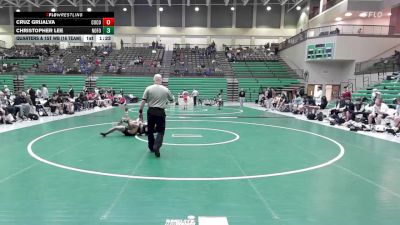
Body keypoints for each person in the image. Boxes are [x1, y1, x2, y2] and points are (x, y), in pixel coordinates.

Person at [138, 74, 174, 158]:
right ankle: (157, 146)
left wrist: (140, 111)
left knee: (150, 130)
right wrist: (166, 102)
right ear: (161, 80)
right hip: (160, 112)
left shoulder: (148, 88)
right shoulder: (166, 89)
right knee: (160, 131)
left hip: (150, 111)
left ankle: (151, 147)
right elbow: (172, 100)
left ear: (153, 80)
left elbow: (143, 101)